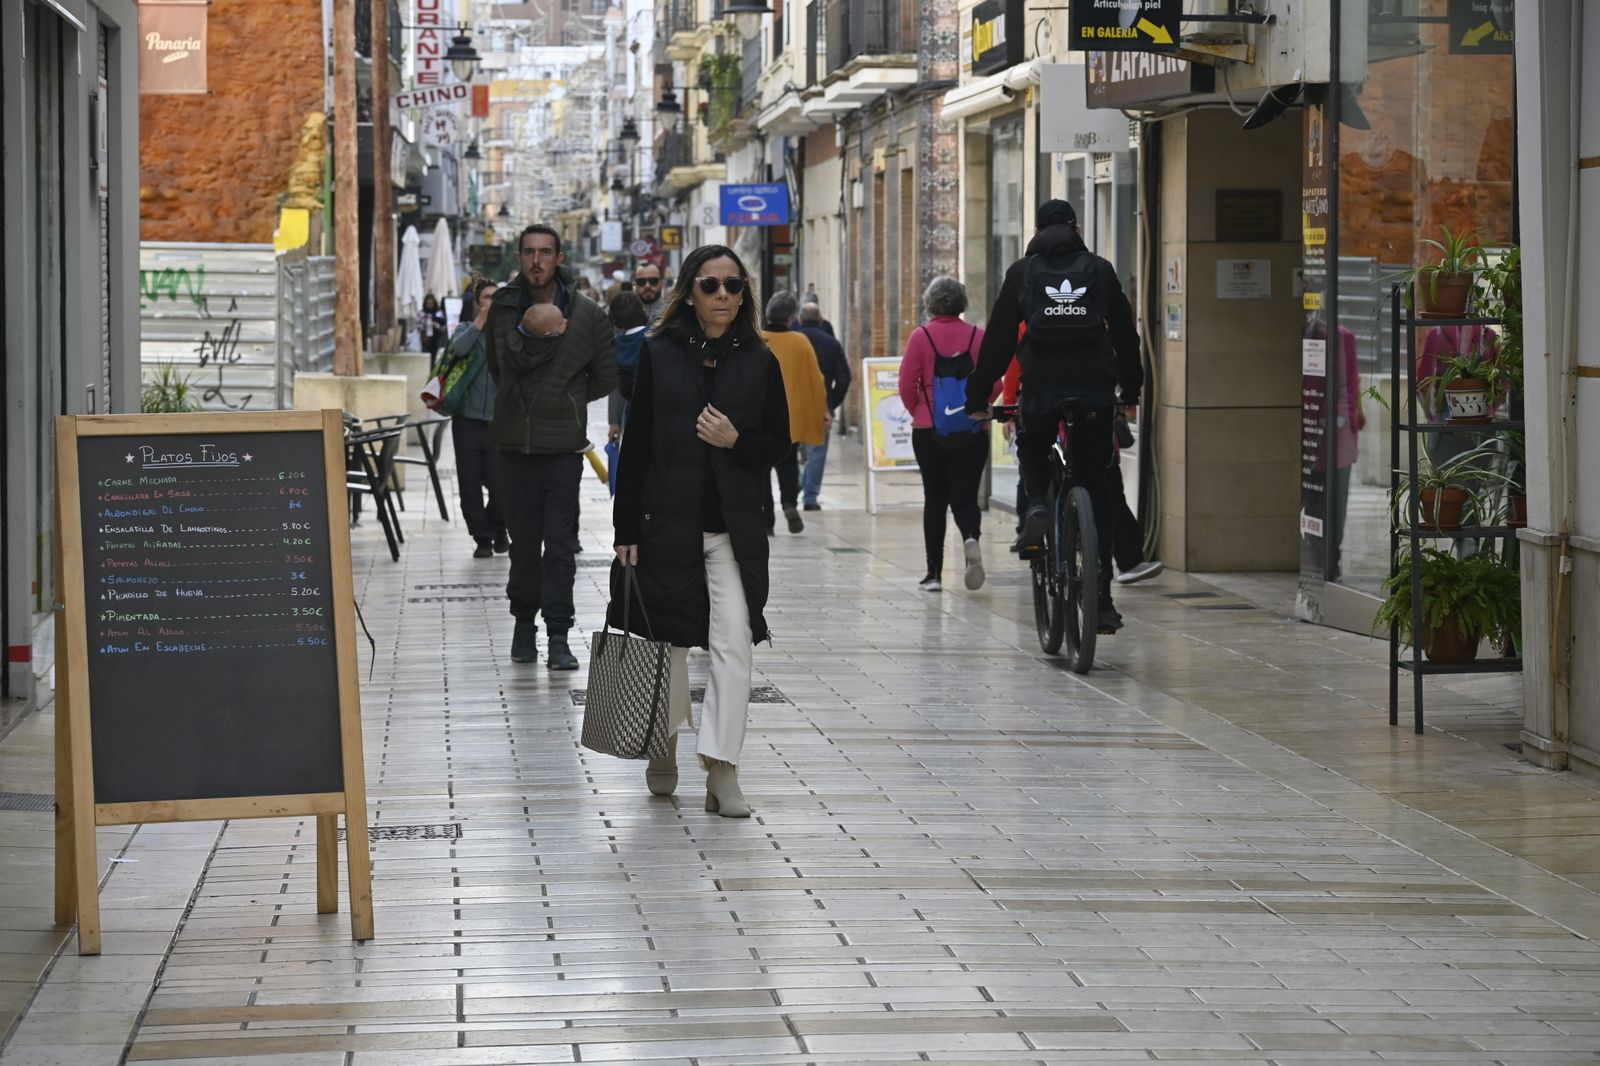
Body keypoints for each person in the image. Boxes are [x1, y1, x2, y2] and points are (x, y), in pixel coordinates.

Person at [610, 244, 793, 817]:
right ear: (690, 291)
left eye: (733, 286)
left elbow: (778, 446)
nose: (722, 296)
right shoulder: (659, 354)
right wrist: (624, 527)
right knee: (669, 644)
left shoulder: (761, 360)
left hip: (732, 531)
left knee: (735, 641)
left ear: (745, 294)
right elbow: (636, 447)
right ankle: (662, 745)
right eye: (710, 286)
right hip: (665, 523)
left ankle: (722, 767)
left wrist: (735, 440)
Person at [965, 199, 1143, 633]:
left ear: (1039, 230)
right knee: (1095, 485)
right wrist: (1131, 390)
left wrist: (979, 395)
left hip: (1041, 388)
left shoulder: (1023, 273)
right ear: (1075, 228)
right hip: (1096, 391)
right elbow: (1125, 334)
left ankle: (1038, 506)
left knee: (1033, 443)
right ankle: (1100, 600)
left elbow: (1000, 342)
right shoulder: (1099, 270)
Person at [483, 224, 617, 670]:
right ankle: (524, 626)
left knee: (559, 546)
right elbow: (495, 367)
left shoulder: (588, 314)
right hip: (513, 447)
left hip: (561, 449)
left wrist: (566, 400)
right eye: (529, 252)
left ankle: (559, 633)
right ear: (519, 257)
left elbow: (605, 374)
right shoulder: (503, 308)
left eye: (545, 252)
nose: (537, 260)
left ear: (559, 258)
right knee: (523, 545)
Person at [899, 277, 994, 592]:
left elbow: (906, 383)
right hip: (973, 428)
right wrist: (981, 406)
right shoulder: (978, 336)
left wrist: (921, 412)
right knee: (966, 497)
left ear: (930, 303)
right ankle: (970, 540)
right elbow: (996, 378)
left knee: (935, 498)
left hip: (929, 431)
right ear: (962, 303)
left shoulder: (920, 337)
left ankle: (934, 574)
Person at [448, 278, 510, 559]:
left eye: (497, 298)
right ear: (477, 302)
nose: (492, 303)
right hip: (467, 421)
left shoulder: (509, 334)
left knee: (502, 485)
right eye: (487, 298)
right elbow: (457, 349)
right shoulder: (465, 330)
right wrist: (480, 323)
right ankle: (482, 536)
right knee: (469, 485)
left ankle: (499, 527)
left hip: (500, 422)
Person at [759, 291, 828, 535]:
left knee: (761, 470)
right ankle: (789, 503)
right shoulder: (800, 342)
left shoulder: (756, 340)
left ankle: (766, 520)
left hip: (759, 417)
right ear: (790, 318)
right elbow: (816, 381)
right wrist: (823, 412)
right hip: (791, 417)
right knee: (788, 463)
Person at [795, 303, 850, 511]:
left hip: (792, 403)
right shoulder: (831, 343)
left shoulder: (793, 339)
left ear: (800, 319)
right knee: (817, 451)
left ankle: (796, 481)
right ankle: (810, 497)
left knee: (788, 449)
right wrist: (832, 402)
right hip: (820, 405)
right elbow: (844, 377)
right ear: (820, 321)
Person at [606, 291, 650, 443]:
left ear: (617, 324)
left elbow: (615, 387)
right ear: (643, 312)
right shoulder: (654, 338)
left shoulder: (615, 345)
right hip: (654, 411)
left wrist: (614, 421)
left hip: (630, 411)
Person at [418, 293, 447, 358]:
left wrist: (435, 325)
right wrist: (425, 326)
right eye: (427, 303)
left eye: (431, 303)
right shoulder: (422, 313)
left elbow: (443, 327)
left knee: (434, 359)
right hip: (425, 340)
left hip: (436, 340)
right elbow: (418, 326)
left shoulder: (438, 313)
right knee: (425, 358)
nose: (429, 305)